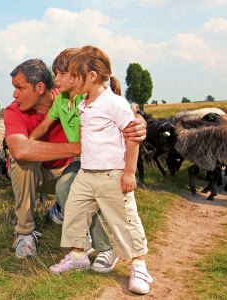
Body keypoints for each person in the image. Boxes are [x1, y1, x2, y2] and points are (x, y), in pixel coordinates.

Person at [4, 58, 146, 262]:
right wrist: (80, 147)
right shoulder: (14, 111)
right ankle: (25, 233)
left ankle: (100, 244)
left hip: (72, 169)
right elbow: (20, 149)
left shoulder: (75, 98)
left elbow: (112, 108)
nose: (14, 94)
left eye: (19, 87)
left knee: (77, 181)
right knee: (21, 162)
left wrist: (138, 122)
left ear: (40, 87)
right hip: (39, 176)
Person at [47, 46, 153, 295]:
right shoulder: (84, 103)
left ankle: (139, 265)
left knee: (125, 219)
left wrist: (129, 172)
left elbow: (132, 137)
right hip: (87, 172)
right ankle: (78, 255)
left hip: (112, 174)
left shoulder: (115, 103)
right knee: (74, 212)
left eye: (74, 75)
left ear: (92, 76)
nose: (71, 80)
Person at [29, 48, 118, 273]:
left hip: (101, 160)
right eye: (55, 74)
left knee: (79, 190)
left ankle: (106, 248)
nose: (55, 79)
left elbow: (112, 109)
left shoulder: (84, 98)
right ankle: (84, 240)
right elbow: (44, 126)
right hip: (82, 159)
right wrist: (27, 143)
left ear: (77, 75)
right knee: (64, 187)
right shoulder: (61, 102)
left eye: (61, 74)